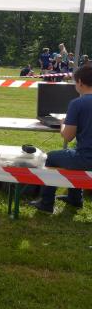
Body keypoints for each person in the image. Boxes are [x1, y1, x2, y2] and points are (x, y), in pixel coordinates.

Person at [28, 65, 92, 213]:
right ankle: (75, 199)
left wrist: (63, 124)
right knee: (74, 151)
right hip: (85, 154)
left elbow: (68, 136)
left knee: (50, 157)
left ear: (80, 82)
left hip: (86, 159)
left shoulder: (77, 103)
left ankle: (46, 203)